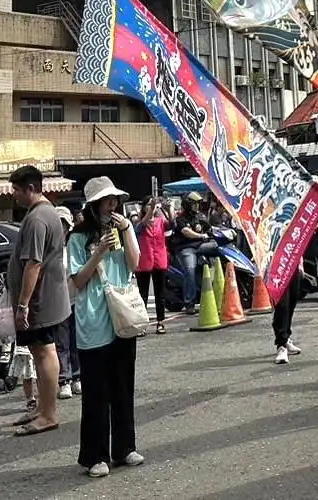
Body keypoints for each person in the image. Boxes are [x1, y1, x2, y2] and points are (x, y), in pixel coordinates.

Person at [67, 175, 144, 478]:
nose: (112, 204)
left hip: (122, 316)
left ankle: (125, 447)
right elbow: (78, 280)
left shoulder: (123, 229)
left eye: (115, 199)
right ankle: (95, 455)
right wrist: (97, 250)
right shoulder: (77, 238)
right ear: (93, 205)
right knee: (96, 392)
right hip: (94, 318)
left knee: (123, 386)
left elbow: (135, 264)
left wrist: (127, 231)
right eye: (106, 200)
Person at [5, 165, 71, 437]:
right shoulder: (44, 214)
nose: (15, 196)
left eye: (17, 191)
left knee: (45, 351)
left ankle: (48, 414)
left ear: (31, 189)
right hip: (44, 297)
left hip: (40, 301)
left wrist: (23, 305)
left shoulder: (37, 219)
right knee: (39, 350)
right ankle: (43, 407)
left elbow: (33, 263)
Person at [54, 206, 81, 400]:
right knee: (61, 343)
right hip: (56, 303)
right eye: (59, 224)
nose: (62, 228)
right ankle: (64, 380)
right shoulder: (49, 250)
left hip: (74, 299)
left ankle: (77, 377)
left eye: (64, 224)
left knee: (76, 342)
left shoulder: (73, 246)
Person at [168, 195, 211, 315]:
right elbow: (186, 232)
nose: (196, 206)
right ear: (187, 205)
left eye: (197, 204)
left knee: (219, 249)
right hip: (186, 248)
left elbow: (210, 228)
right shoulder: (180, 219)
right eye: (194, 204)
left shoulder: (199, 217)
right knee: (190, 270)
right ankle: (190, 303)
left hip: (201, 246)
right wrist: (201, 236)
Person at [134, 198, 170, 335]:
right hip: (144, 261)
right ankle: (142, 325)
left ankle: (161, 322)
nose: (152, 207)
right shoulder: (139, 223)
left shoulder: (160, 221)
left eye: (152, 204)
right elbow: (143, 223)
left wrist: (167, 210)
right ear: (144, 207)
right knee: (142, 294)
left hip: (159, 260)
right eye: (148, 204)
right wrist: (153, 207)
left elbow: (171, 224)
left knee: (160, 294)